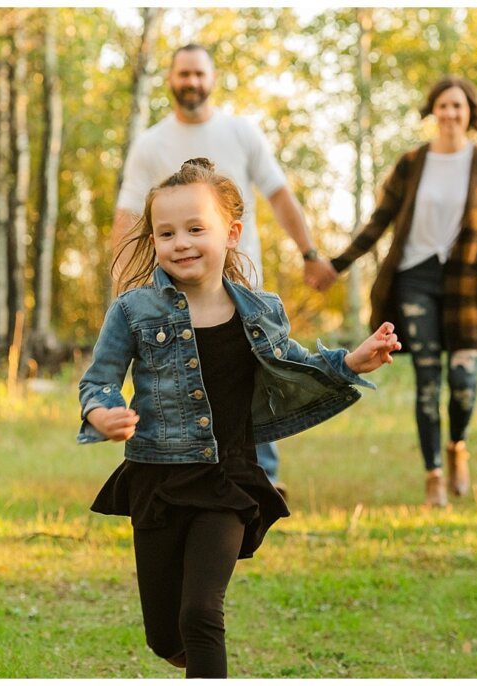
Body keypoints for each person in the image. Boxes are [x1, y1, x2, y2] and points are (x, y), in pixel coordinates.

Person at [78, 158, 400, 678]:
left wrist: (351, 360)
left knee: (201, 612)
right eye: (166, 233)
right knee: (165, 636)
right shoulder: (134, 311)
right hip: (157, 478)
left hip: (228, 479)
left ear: (230, 233)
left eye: (195, 229)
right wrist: (101, 412)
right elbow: (98, 380)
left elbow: (296, 363)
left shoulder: (260, 311)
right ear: (154, 240)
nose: (181, 242)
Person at [112, 43, 338, 496]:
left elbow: (278, 194)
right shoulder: (151, 143)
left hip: (238, 283)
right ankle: (186, 471)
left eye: (199, 73)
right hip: (175, 292)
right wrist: (124, 286)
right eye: (183, 74)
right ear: (171, 80)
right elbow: (127, 216)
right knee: (193, 378)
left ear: (211, 79)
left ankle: (262, 475)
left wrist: (310, 252)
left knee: (252, 373)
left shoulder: (241, 133)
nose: (191, 81)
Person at [322, 76, 477, 508]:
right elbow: (379, 221)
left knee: (463, 379)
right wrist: (337, 265)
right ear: (432, 111)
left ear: (470, 113)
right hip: (415, 279)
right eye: (442, 106)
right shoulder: (412, 163)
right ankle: (433, 476)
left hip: (467, 280)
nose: (450, 113)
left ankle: (457, 445)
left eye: (458, 106)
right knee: (428, 379)